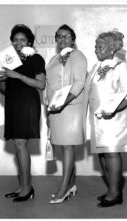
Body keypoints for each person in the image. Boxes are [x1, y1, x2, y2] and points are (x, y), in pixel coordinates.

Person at [85, 31, 127, 207]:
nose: (96, 49)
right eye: (96, 46)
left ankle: (115, 193)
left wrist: (113, 110)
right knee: (102, 154)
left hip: (114, 120)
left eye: (100, 46)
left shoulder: (123, 67)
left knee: (112, 153)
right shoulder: (95, 68)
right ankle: (111, 189)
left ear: (112, 48)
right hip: (96, 120)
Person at [0, 24, 46, 202]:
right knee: (18, 146)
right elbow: (5, 89)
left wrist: (16, 76)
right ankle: (22, 186)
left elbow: (41, 85)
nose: (18, 42)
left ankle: (27, 189)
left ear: (29, 42)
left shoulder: (35, 58)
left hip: (27, 104)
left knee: (20, 145)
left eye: (22, 40)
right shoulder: (9, 60)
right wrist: (2, 80)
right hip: (12, 103)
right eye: (15, 40)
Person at [45, 24, 87, 204]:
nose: (62, 39)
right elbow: (48, 87)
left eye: (66, 36)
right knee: (62, 147)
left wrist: (63, 102)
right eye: (59, 36)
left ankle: (63, 188)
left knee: (68, 146)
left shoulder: (78, 57)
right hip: (55, 108)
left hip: (71, 106)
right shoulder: (53, 59)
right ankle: (70, 185)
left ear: (73, 39)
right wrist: (48, 108)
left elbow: (79, 84)